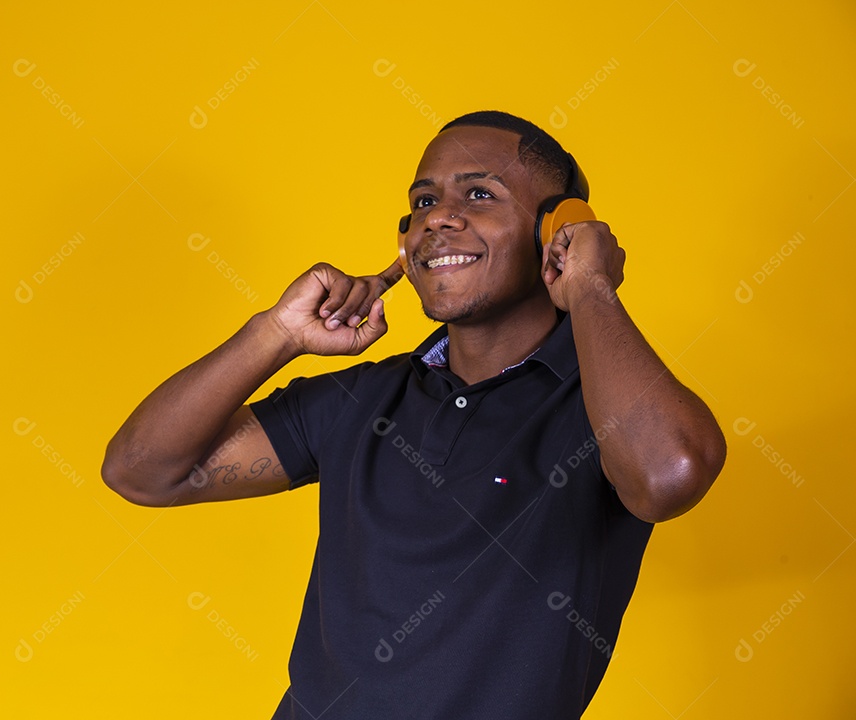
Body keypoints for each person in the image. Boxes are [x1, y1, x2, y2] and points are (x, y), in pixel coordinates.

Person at [101, 110, 727, 718]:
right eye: (422, 203)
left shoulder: (602, 407)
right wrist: (275, 334)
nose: (439, 220)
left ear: (556, 230)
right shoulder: (361, 400)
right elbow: (141, 470)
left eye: (479, 194)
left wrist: (591, 286)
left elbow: (669, 474)